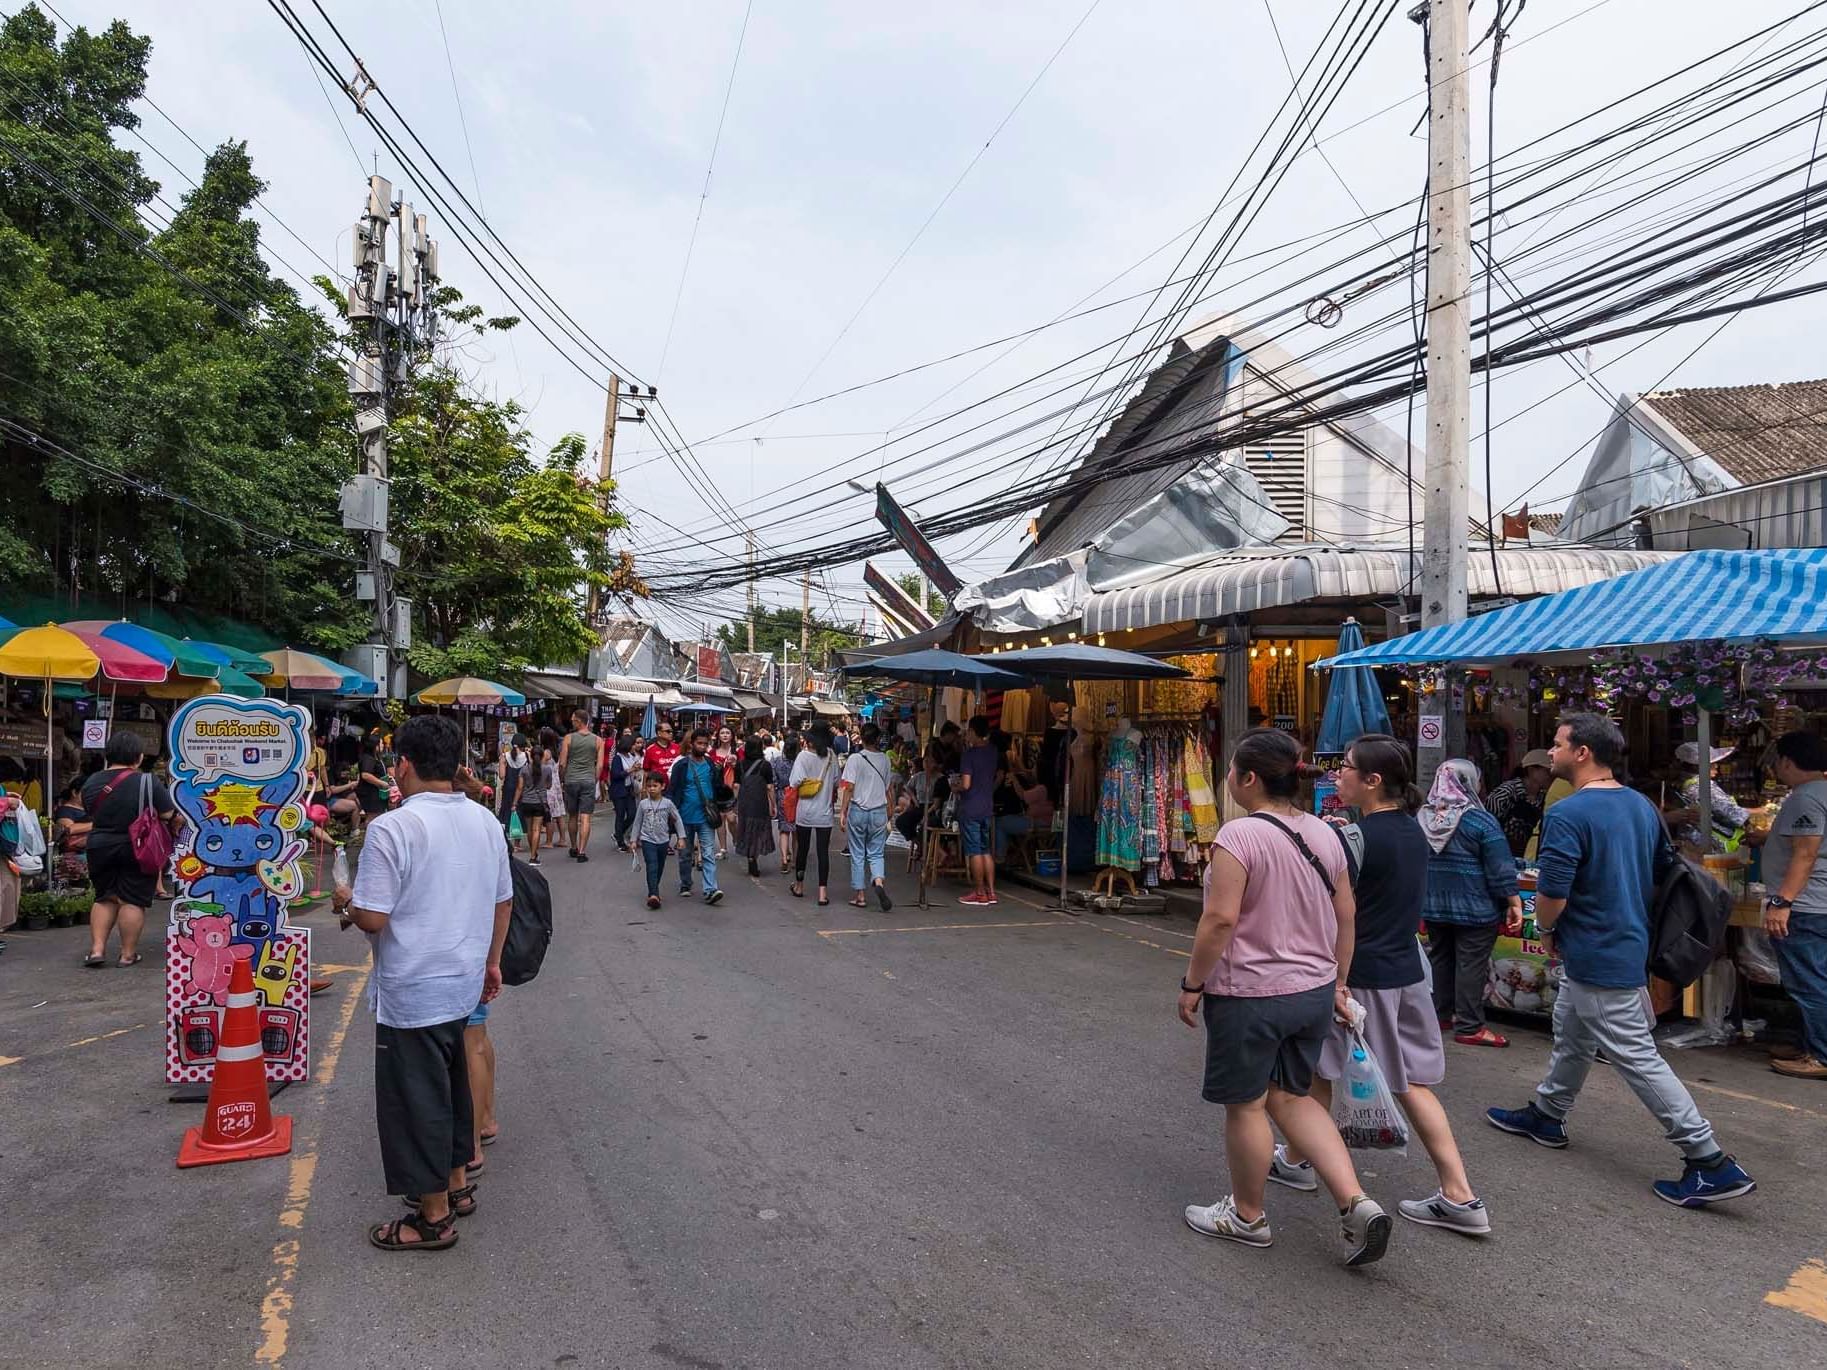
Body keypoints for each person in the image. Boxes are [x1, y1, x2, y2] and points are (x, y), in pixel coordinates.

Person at [1486, 713, 1757, 1207]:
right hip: (1623, 941)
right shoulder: (1638, 805)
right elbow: (1659, 871)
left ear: (1582, 753)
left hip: (1596, 950)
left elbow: (1553, 891)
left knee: (1636, 1056)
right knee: (1571, 1033)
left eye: (1558, 742)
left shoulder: (1569, 813)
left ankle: (1709, 1159)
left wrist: (1545, 930)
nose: (1551, 751)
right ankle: (1548, 1113)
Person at [1178, 727, 1390, 1266]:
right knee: (1293, 1098)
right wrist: (1338, 983)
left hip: (1250, 992)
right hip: (1313, 992)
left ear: (1248, 779)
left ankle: (1247, 1215)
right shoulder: (1326, 834)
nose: (1228, 778)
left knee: (1247, 1104)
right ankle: (1356, 1201)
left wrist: (1193, 984)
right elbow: (1346, 915)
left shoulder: (1239, 837)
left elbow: (1220, 919)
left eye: (1230, 770)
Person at [1278, 735, 1491, 1237]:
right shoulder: (1414, 832)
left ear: (1373, 781)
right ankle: (1459, 1193)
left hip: (1363, 975)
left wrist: (1337, 981)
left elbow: (1334, 912)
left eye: (1348, 768)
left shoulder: (1359, 838)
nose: (1338, 775)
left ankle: (1308, 1164)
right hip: (1409, 971)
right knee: (1403, 1081)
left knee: (1316, 1072)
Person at [332, 714, 513, 1252]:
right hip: (462, 978)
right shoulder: (483, 820)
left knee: (417, 1099)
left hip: (413, 986)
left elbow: (373, 918)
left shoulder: (394, 827)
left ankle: (430, 1218)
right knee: (453, 1087)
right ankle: (456, 1184)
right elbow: (503, 899)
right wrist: (492, 962)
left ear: (403, 765)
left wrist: (345, 900)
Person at [1421, 758, 1524, 1047]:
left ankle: (1440, 1015)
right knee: (1471, 963)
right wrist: (1514, 901)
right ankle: (1469, 1025)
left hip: (1433, 904)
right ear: (1467, 783)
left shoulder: (1423, 817)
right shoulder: (1479, 820)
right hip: (1475, 907)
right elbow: (1500, 867)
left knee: (1441, 957)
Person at [80, 734, 179, 968]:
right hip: (137, 846)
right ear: (139, 757)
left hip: (99, 844)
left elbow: (89, 810)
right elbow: (167, 814)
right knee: (131, 899)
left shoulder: (92, 781)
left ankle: (96, 950)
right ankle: (127, 955)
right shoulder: (146, 781)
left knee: (104, 896)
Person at [1762, 730, 1827, 1080]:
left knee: (1809, 983)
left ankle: (1821, 1055)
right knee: (1818, 978)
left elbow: (1806, 853)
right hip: (1820, 903)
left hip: (1808, 906)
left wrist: (1781, 901)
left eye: (1777, 762)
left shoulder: (1805, 797)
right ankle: (1812, 1044)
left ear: (1787, 761)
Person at [838, 722, 893, 911]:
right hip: (879, 811)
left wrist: (843, 812)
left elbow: (849, 788)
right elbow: (888, 788)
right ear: (878, 739)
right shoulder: (885, 760)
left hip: (858, 811)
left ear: (861, 738)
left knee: (858, 853)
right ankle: (878, 882)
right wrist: (890, 809)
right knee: (877, 853)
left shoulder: (855, 759)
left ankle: (860, 896)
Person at [667, 728, 725, 906]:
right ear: (691, 744)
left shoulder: (710, 765)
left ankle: (710, 889)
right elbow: (673, 791)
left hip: (706, 817)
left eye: (705, 744)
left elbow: (718, 787)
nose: (703, 746)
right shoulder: (681, 765)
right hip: (684, 818)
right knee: (685, 855)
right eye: (699, 743)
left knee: (707, 853)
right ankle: (686, 883)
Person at [789, 723, 840, 905]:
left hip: (805, 811)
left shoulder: (803, 756)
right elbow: (836, 782)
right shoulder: (832, 756)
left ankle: (799, 886)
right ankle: (822, 894)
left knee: (802, 849)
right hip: (825, 812)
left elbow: (795, 781)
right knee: (822, 853)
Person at [956, 716, 999, 907]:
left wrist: (955, 787)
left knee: (974, 851)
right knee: (985, 850)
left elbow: (966, 784)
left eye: (968, 731)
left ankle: (979, 892)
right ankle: (991, 891)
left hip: (971, 807)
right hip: (987, 807)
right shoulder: (993, 752)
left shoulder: (969, 755)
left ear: (973, 732)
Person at [1486, 749, 1554, 858]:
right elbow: (1488, 829)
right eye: (1548, 771)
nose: (1551, 776)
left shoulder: (1545, 796)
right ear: (1531, 770)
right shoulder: (1505, 793)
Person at [633, 772, 685, 910]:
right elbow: (637, 822)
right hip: (647, 839)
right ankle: (653, 894)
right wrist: (633, 839)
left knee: (660, 866)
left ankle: (654, 888)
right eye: (649, 786)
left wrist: (681, 837)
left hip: (663, 840)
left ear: (662, 786)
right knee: (652, 865)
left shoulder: (668, 804)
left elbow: (677, 819)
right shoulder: (643, 804)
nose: (651, 789)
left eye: (655, 786)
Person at [558, 709, 601, 862]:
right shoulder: (597, 740)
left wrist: (562, 779)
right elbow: (600, 766)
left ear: (579, 721)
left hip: (571, 780)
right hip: (588, 780)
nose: (571, 722)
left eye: (573, 719)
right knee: (586, 817)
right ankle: (582, 852)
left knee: (572, 815)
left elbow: (562, 763)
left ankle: (574, 846)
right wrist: (594, 780)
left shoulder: (568, 739)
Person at [733, 739, 777, 879]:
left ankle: (750, 855)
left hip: (745, 803)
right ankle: (754, 855)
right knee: (758, 830)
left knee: (746, 828)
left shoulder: (739, 764)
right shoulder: (765, 765)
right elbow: (769, 787)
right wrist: (773, 804)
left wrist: (736, 803)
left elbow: (736, 785)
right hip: (760, 802)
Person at [711, 724, 740, 858]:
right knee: (720, 819)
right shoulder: (712, 752)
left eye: (727, 733)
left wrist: (735, 765)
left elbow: (743, 770)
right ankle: (723, 848)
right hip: (717, 789)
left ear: (732, 736)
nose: (725, 735)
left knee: (732, 818)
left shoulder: (738, 751)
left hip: (733, 789)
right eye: (722, 733)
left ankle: (736, 838)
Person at [771, 736, 799, 874]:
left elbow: (773, 780)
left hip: (782, 794)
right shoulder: (800, 761)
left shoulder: (776, 761)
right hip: (797, 795)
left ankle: (783, 858)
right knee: (796, 830)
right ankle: (795, 859)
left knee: (784, 828)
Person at [607, 734, 639, 852]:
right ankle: (620, 841)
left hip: (629, 789)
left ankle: (618, 833)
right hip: (619, 790)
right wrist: (630, 770)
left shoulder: (631, 757)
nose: (634, 747)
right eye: (633, 744)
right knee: (620, 815)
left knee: (632, 814)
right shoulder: (617, 758)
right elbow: (615, 775)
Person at [496, 734, 530, 844]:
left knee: (507, 812)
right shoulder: (527, 756)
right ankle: (517, 843)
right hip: (523, 789)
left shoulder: (505, 756)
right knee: (519, 812)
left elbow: (502, 776)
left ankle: (507, 842)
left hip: (508, 788)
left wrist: (501, 762)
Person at [356, 734, 392, 823]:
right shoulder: (367, 758)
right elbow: (365, 775)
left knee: (378, 815)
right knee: (372, 817)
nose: (382, 745)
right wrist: (380, 783)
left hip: (377, 791)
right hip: (370, 793)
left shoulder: (376, 757)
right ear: (374, 745)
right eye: (380, 743)